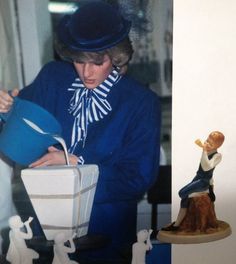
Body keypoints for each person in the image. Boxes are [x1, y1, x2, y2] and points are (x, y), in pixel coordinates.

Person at [0, 1, 161, 263]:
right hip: (47, 234)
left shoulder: (140, 103)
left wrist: (78, 165)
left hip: (107, 233)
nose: (86, 71)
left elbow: (138, 177)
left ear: (117, 56)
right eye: (78, 60)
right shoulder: (53, 78)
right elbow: (20, 126)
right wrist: (5, 108)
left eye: (98, 62)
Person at [162, 131, 224, 231]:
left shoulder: (217, 156)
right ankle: (177, 224)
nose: (207, 144)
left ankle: (203, 192)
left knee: (182, 193)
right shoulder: (207, 151)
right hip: (198, 178)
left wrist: (204, 151)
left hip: (203, 181)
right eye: (207, 141)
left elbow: (206, 167)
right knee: (184, 198)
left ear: (217, 146)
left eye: (210, 144)